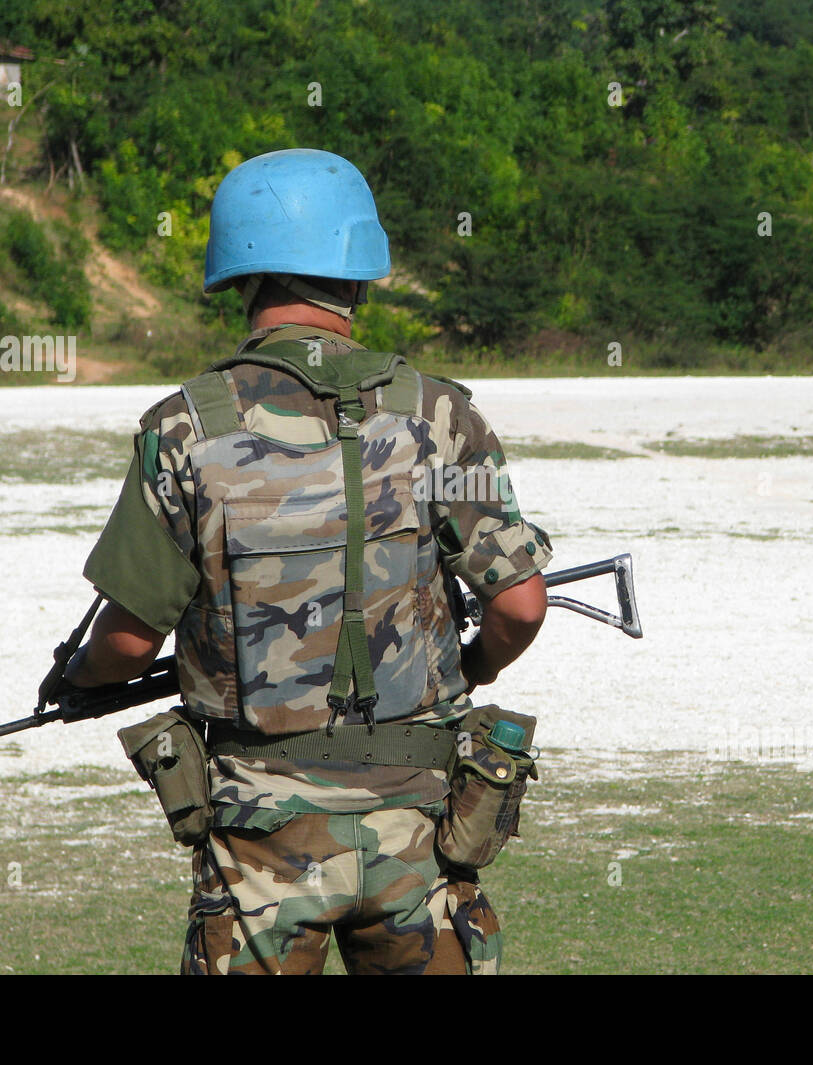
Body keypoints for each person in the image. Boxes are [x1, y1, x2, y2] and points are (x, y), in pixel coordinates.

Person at [64, 148, 552, 974]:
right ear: (358, 272)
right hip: (423, 831)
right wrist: (470, 664)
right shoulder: (439, 412)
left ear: (241, 277)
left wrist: (79, 679)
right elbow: (521, 605)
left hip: (259, 843)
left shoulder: (185, 428)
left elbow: (129, 640)